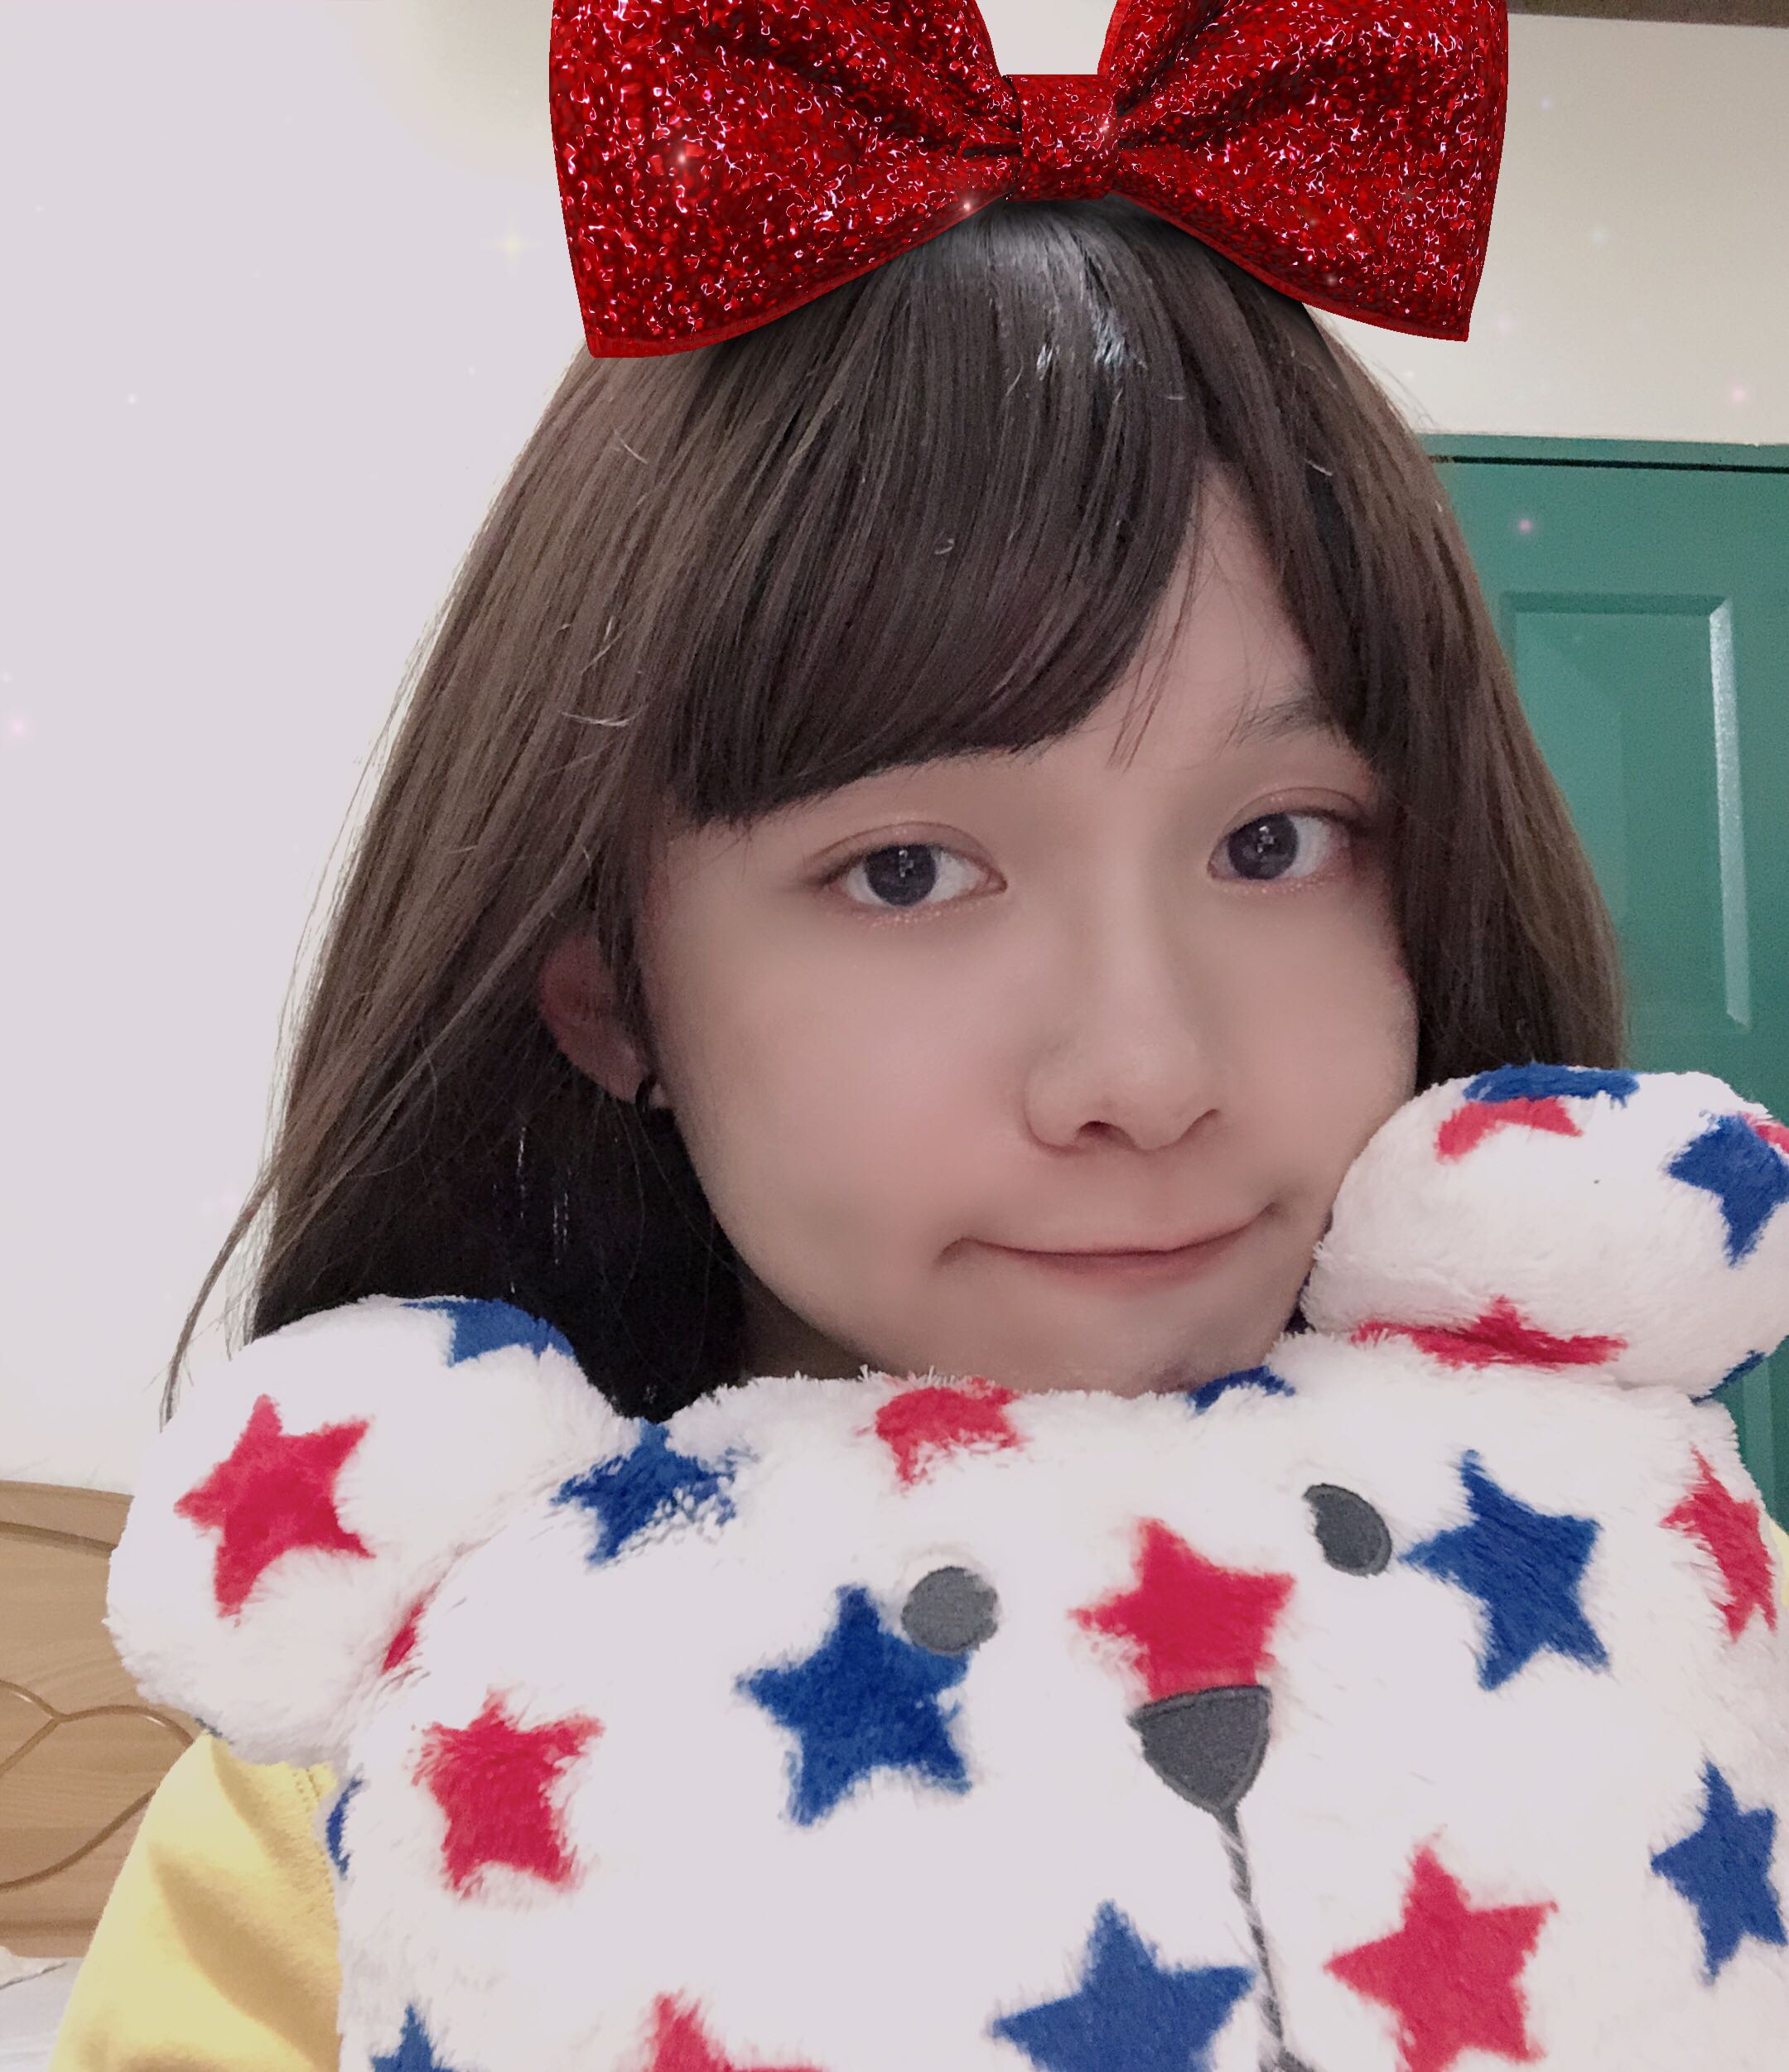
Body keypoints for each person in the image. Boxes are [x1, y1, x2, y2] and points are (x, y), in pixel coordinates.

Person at [49, 191, 1789, 2070]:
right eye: (905, 870)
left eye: (1273, 841)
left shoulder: (1665, 1619)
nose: (1145, 1071)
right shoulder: (382, 1766)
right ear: (611, 989)